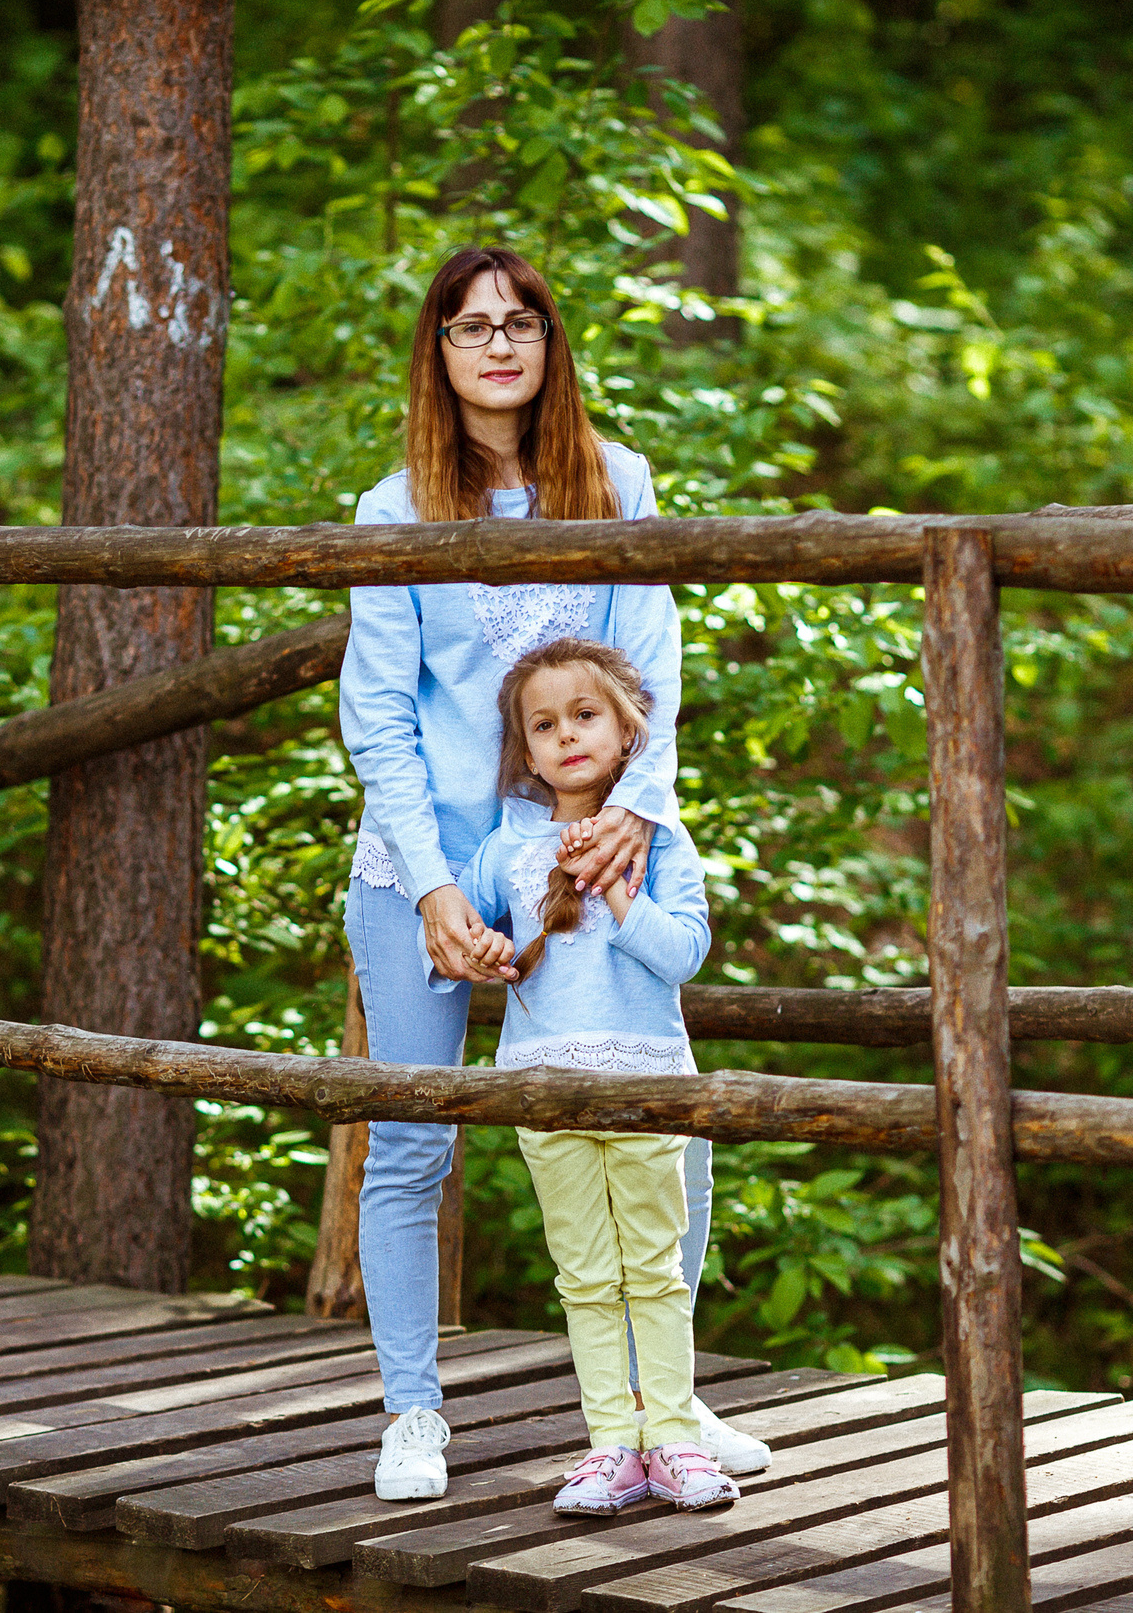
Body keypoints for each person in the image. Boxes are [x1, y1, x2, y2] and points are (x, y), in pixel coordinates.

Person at [339, 245, 768, 1500]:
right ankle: (413, 1412)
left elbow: (656, 669)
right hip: (424, 859)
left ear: (549, 342)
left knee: (659, 1114)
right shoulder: (393, 510)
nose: (498, 344)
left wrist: (630, 818)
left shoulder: (616, 481)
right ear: (438, 353)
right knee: (414, 1139)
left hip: (589, 850)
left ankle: (667, 1408)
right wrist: (432, 890)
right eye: (470, 327)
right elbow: (381, 720)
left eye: (520, 321)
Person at [441, 638, 738, 1513]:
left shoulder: (661, 838)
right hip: (544, 1089)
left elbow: (684, 954)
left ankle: (674, 1440)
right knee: (583, 1274)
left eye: (585, 714)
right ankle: (612, 1442)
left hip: (646, 1087)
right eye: (545, 723)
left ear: (626, 730)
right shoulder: (504, 850)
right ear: (525, 751)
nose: (567, 735)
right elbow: (470, 931)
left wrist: (617, 893)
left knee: (652, 1267)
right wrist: (487, 948)